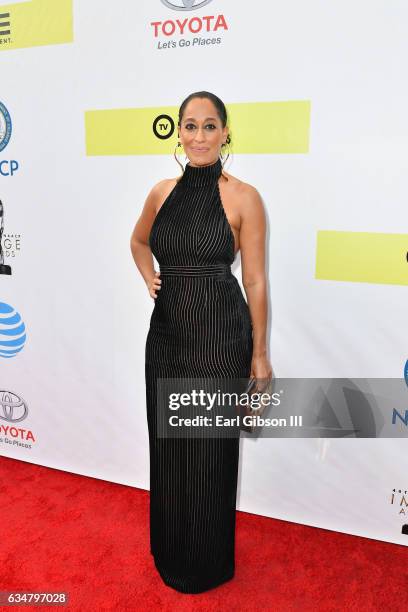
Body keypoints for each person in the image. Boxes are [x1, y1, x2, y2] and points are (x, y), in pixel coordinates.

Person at [130, 91, 272, 593]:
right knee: (170, 449)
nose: (198, 136)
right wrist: (149, 277)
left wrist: (259, 355)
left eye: (210, 126)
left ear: (225, 133)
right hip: (167, 337)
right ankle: (170, 547)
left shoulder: (244, 198)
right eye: (190, 126)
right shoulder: (161, 193)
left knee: (210, 455)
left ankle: (206, 562)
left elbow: (254, 281)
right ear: (178, 132)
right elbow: (138, 240)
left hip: (219, 337)